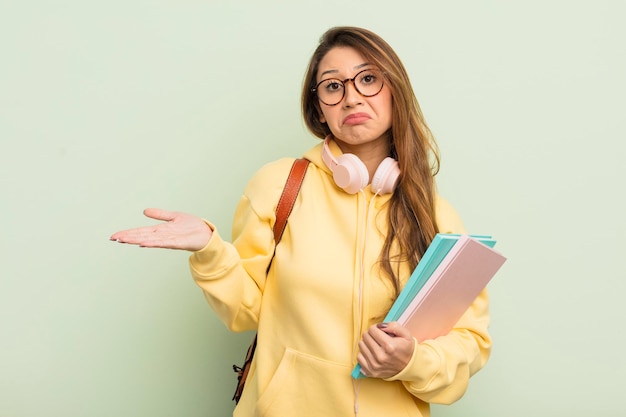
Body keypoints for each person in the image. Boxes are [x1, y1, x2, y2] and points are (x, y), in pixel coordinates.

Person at [110, 26, 491, 417]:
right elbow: (244, 311)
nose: (351, 97)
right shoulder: (280, 185)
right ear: (319, 108)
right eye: (332, 86)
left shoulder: (438, 216)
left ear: (395, 89)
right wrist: (210, 250)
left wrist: (412, 361)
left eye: (368, 79)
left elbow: (470, 341)